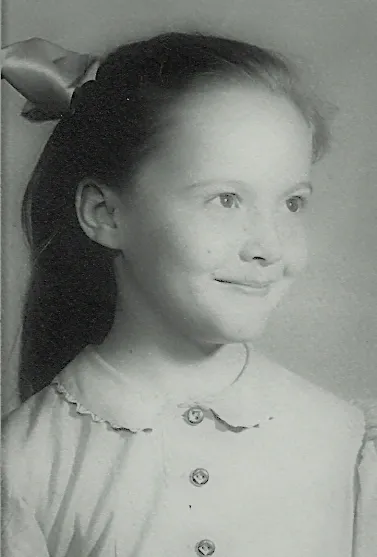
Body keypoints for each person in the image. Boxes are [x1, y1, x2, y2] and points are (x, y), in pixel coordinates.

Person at [1, 31, 376, 557]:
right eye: (226, 199)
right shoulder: (23, 465)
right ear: (105, 214)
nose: (269, 246)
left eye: (292, 203)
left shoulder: (344, 441)